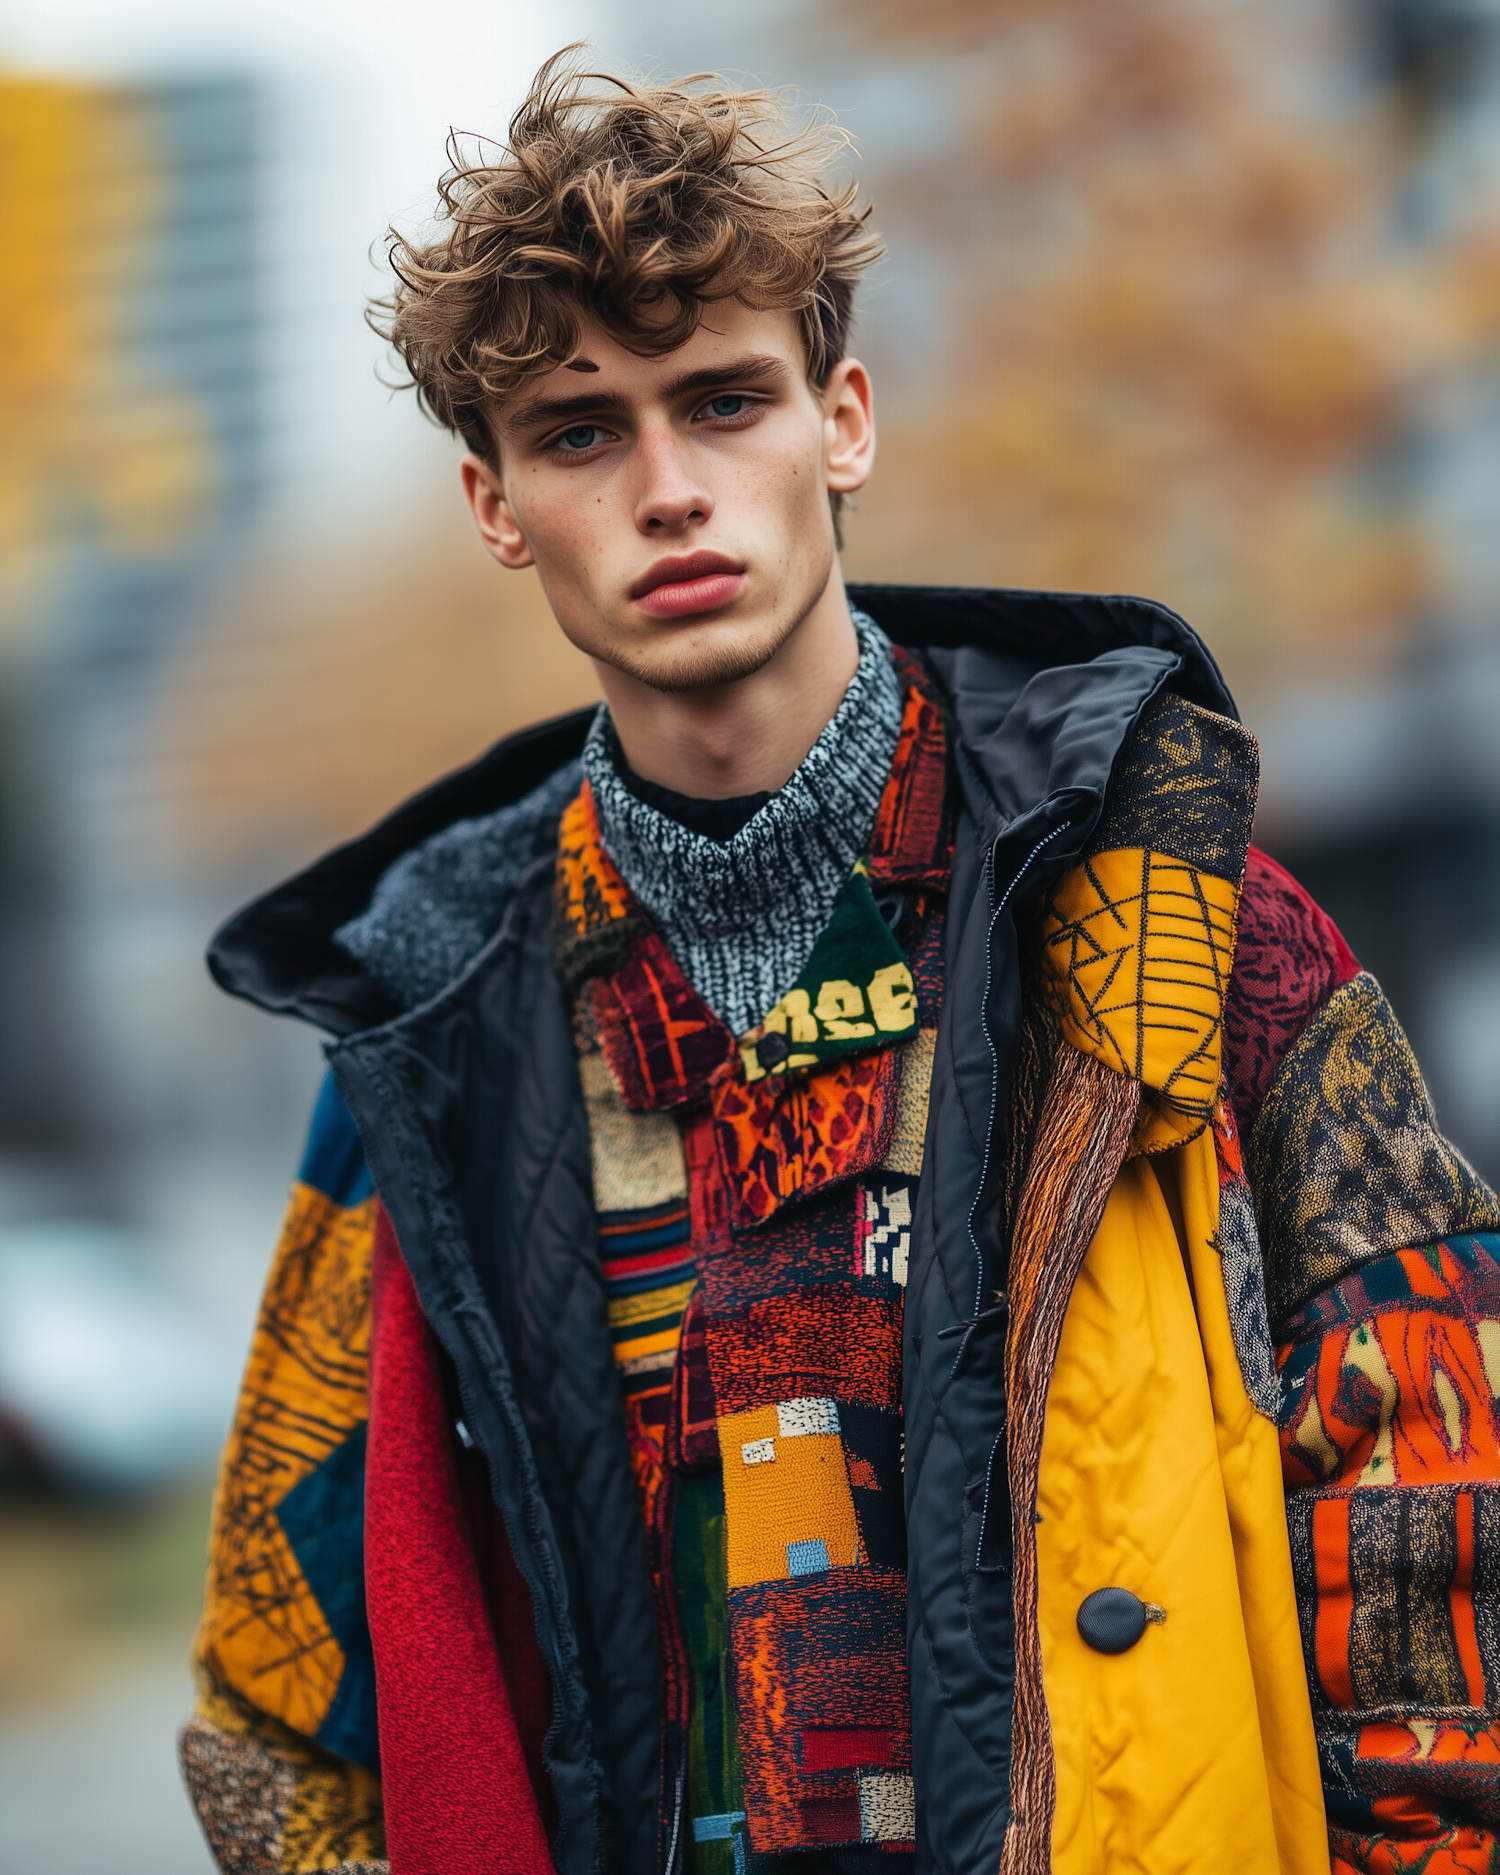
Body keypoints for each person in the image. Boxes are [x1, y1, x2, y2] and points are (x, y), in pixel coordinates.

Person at [180, 50, 1500, 1875]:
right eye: (580, 431)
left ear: (845, 422)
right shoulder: (432, 1030)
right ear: (495, 506)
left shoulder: (1179, 927)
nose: (668, 487)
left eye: (724, 401)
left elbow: (1444, 1506)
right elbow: (276, 1699)